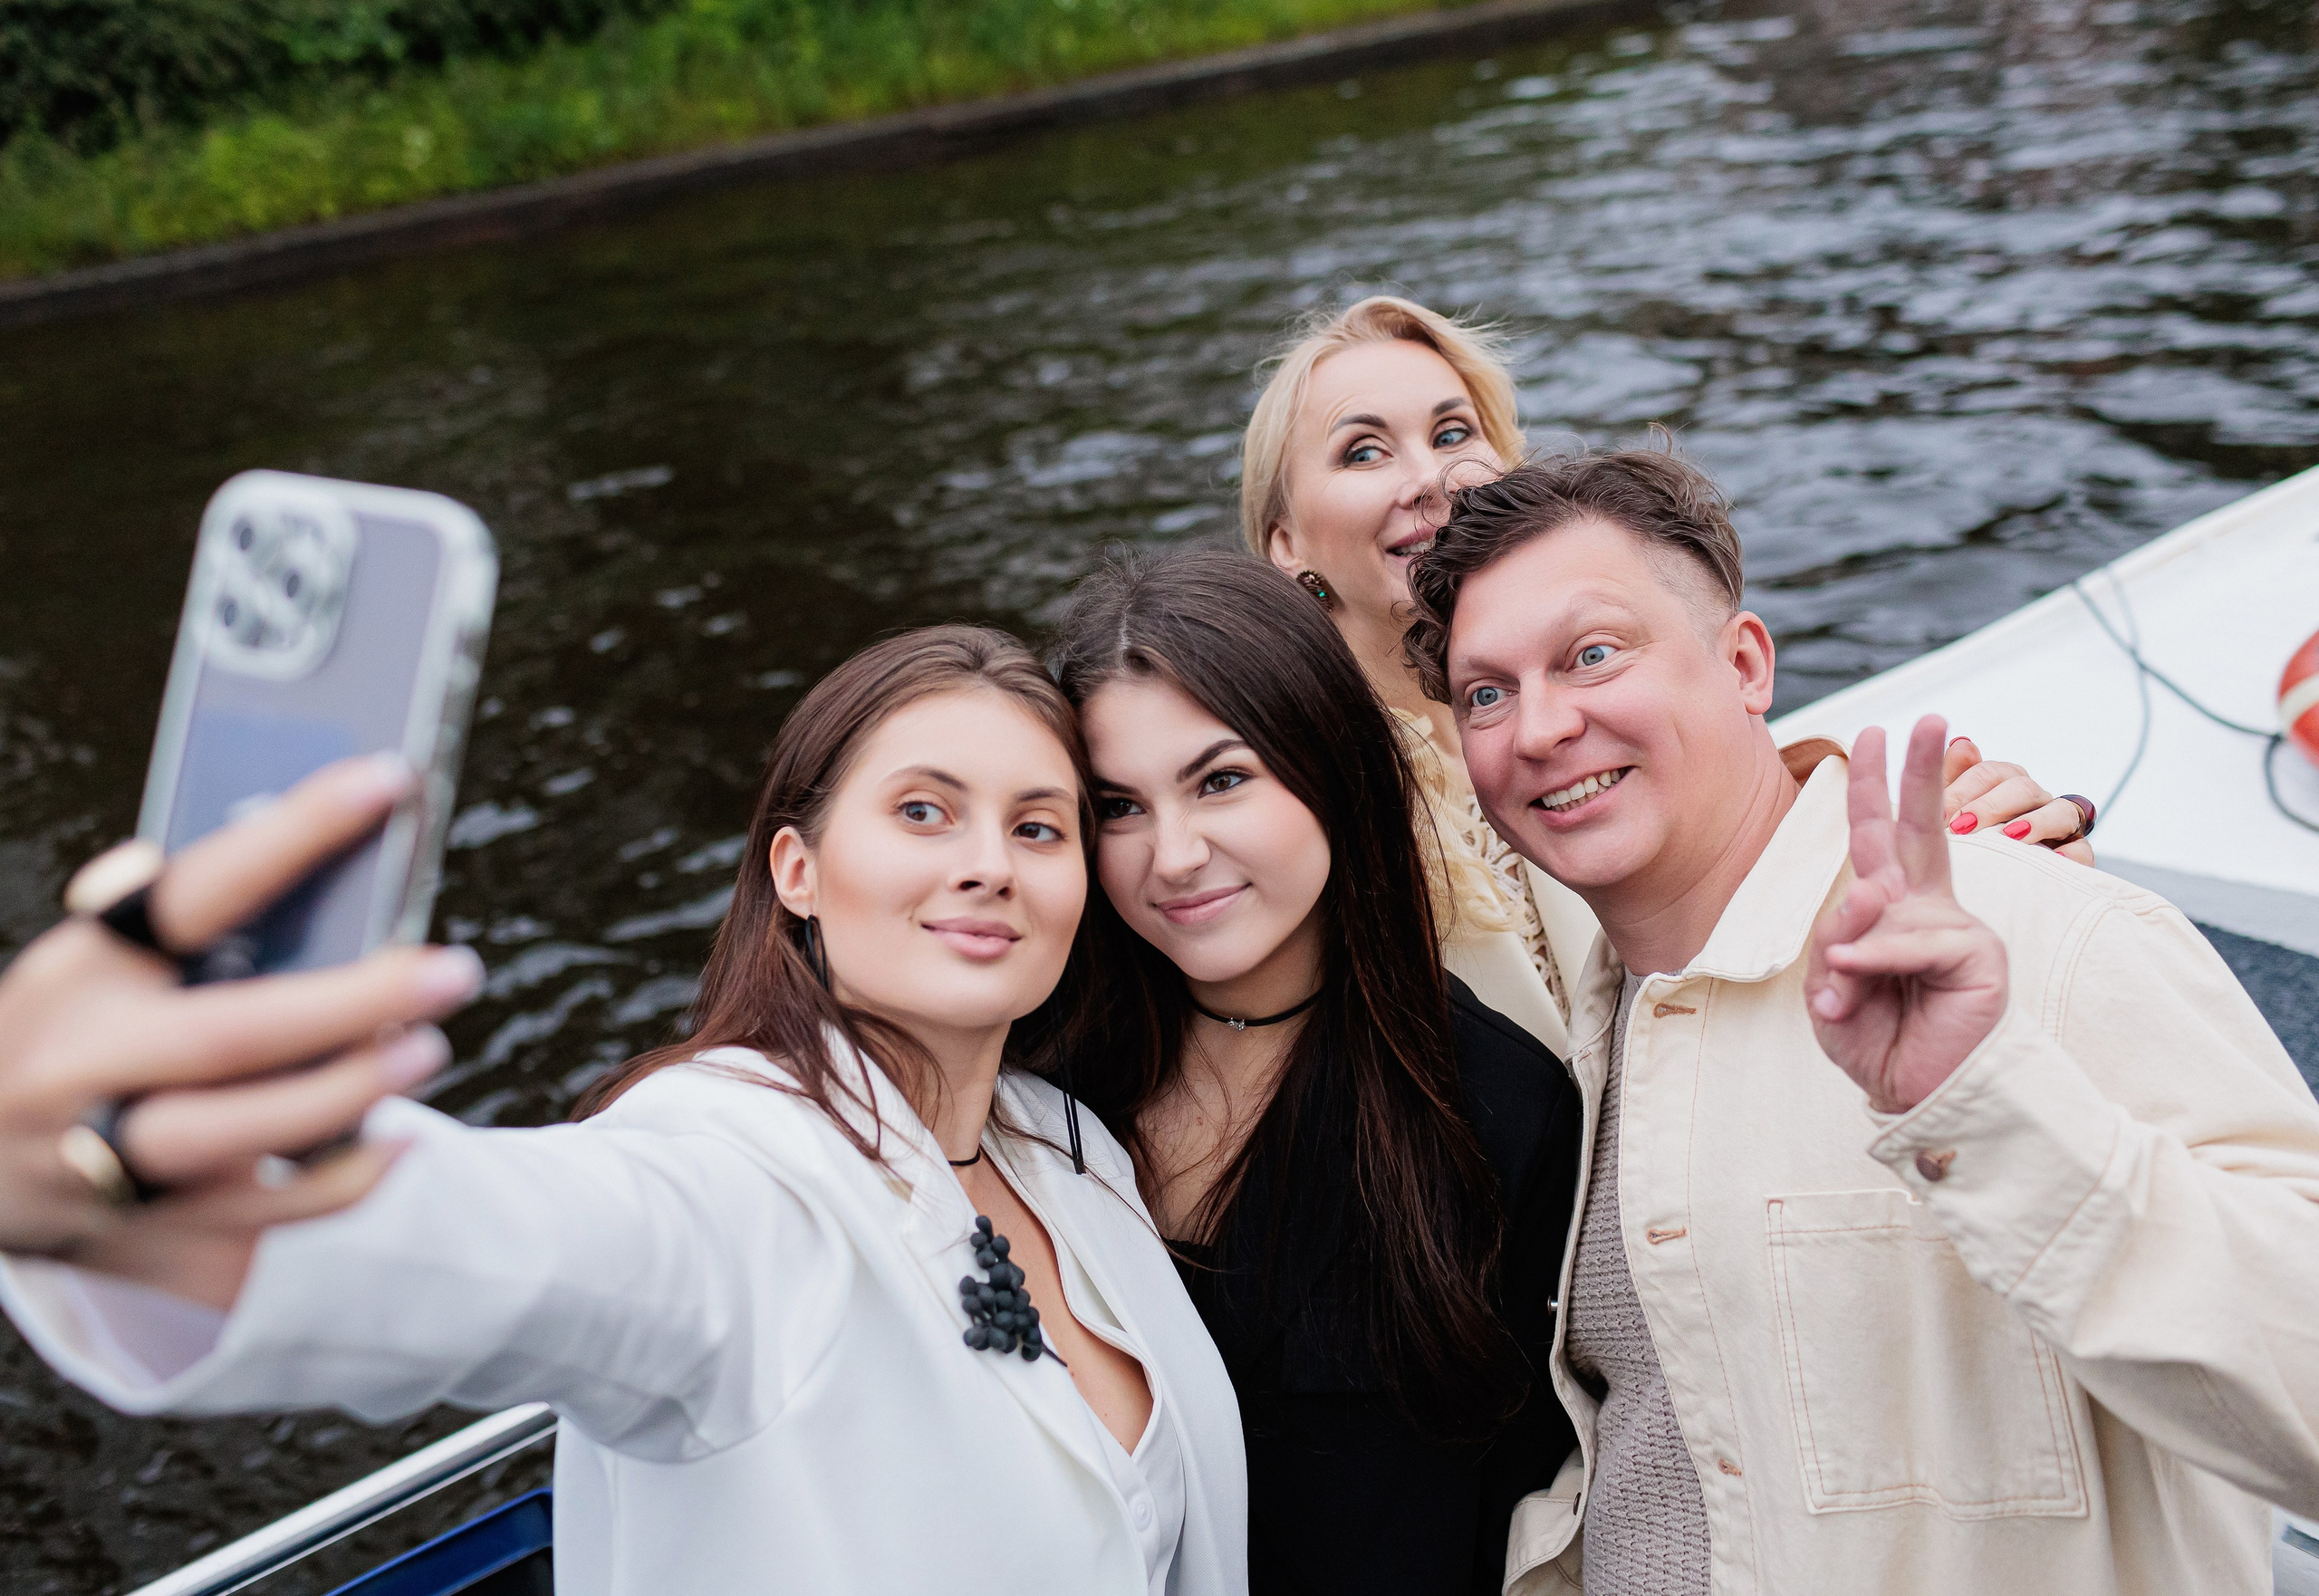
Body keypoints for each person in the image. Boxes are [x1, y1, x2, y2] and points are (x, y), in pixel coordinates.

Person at [0, 628, 1247, 1596]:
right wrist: (106, 1183)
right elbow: (518, 1246)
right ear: (797, 870)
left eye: (1039, 825)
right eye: (923, 809)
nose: (989, 860)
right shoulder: (731, 1173)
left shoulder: (1069, 1147)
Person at [1401, 447, 2319, 1595]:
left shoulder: (2029, 929)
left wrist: (1985, 1108)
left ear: (1743, 663)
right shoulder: (1592, 1035)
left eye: (1593, 655)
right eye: (1487, 693)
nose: (1539, 728)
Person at [1239, 295, 2098, 1055]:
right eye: (1363, 453)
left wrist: (1946, 840)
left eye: (1454, 433)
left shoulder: (1584, 720)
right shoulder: (1289, 789)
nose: (1431, 478)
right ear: (1285, 543)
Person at [1047, 548, 1580, 1596]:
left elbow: (1538, 1498)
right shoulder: (1041, 1098)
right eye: (1119, 807)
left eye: (1222, 780)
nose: (1175, 853)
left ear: (1333, 764)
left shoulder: (1498, 1108)